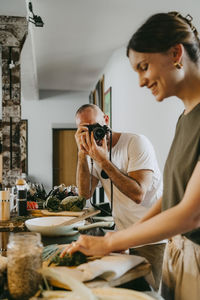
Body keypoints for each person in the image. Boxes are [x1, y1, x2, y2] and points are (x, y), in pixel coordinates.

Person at [61, 11, 200, 300]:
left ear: (176, 53)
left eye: (144, 66)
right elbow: (172, 197)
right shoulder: (186, 117)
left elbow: (191, 213)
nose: (140, 81)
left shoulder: (139, 141)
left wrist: (111, 241)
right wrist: (122, 236)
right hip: (178, 252)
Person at [74, 103, 164, 289]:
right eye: (85, 131)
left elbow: (138, 193)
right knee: (129, 290)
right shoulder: (92, 152)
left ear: (106, 120)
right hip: (125, 235)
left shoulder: (135, 143)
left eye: (95, 127)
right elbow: (85, 193)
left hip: (152, 237)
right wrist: (82, 155)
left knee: (151, 293)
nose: (92, 135)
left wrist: (103, 161)